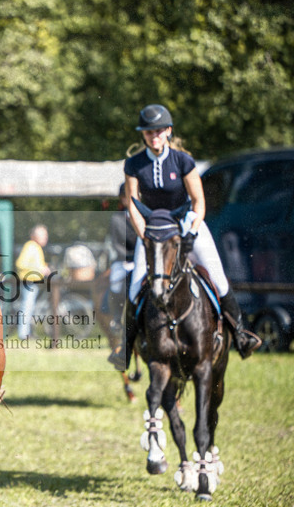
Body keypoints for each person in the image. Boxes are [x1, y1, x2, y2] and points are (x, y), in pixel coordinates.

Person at [109, 104, 261, 371]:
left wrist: (190, 230)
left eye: (158, 131)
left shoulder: (183, 161)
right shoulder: (134, 164)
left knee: (217, 277)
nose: (153, 136)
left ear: (167, 131)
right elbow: (133, 203)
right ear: (143, 135)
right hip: (154, 234)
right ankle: (125, 347)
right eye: (148, 132)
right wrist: (144, 233)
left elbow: (198, 201)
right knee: (134, 288)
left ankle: (240, 335)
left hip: (186, 226)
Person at [107, 184, 137, 331]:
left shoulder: (143, 216)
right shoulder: (116, 219)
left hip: (141, 259)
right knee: (116, 282)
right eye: (125, 197)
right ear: (122, 199)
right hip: (123, 260)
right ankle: (117, 319)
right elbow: (115, 243)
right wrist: (128, 257)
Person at [15, 225, 51, 339]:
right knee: (27, 307)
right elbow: (20, 264)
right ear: (34, 236)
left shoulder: (35, 247)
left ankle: (27, 332)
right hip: (28, 281)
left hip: (33, 281)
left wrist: (44, 267)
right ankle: (23, 334)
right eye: (43, 235)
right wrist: (39, 269)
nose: (46, 238)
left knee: (29, 307)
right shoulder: (30, 246)